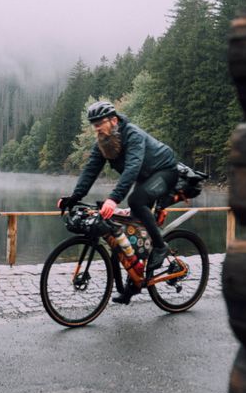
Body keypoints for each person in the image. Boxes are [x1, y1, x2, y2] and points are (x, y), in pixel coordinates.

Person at [58, 101, 179, 304]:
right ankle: (133, 284)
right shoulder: (103, 142)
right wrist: (74, 197)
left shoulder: (132, 134)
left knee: (136, 200)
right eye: (93, 124)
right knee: (127, 229)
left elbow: (132, 167)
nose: (97, 128)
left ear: (114, 120)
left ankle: (160, 247)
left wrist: (113, 199)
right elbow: (90, 170)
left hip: (165, 171)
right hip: (146, 177)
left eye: (100, 123)